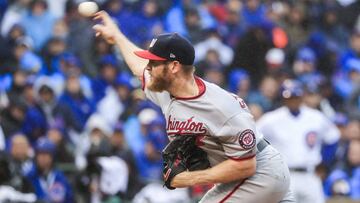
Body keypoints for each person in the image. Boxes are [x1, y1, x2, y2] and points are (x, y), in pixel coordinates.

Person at [93, 11, 294, 202]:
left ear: (173, 67)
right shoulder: (165, 90)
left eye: (154, 63)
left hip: (260, 171)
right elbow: (138, 67)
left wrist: (189, 179)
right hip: (247, 175)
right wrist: (117, 36)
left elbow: (246, 166)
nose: (148, 68)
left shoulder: (221, 106)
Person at [256, 79, 340, 203]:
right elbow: (253, 139)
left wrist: (324, 164)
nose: (293, 100)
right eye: (290, 97)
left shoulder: (316, 117)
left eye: (296, 96)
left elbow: (333, 138)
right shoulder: (271, 119)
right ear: (283, 99)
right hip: (284, 176)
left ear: (302, 96)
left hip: (310, 174)